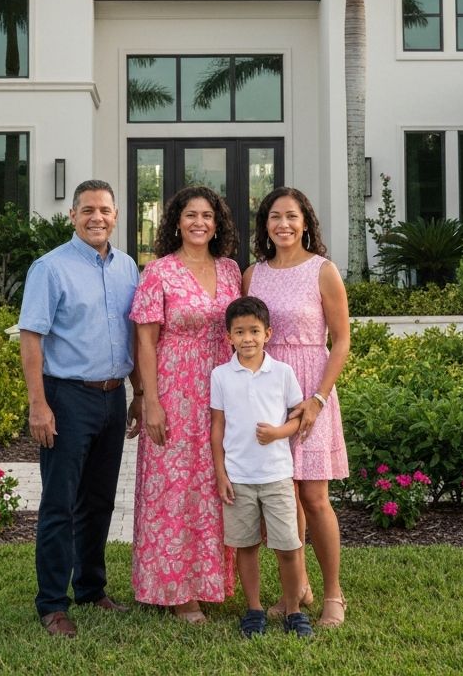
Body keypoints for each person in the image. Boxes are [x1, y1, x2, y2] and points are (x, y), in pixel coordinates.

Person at [18, 179, 140, 638]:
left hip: (113, 396)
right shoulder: (50, 268)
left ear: (115, 215)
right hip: (67, 397)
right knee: (60, 504)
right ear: (72, 215)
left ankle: (91, 588)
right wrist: (39, 405)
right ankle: (52, 603)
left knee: (99, 501)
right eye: (87, 209)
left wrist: (138, 392)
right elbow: (32, 337)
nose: (97, 217)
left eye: (105, 210)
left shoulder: (127, 267)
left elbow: (131, 336)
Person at [129, 186, 239, 623]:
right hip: (175, 391)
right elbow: (145, 340)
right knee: (174, 491)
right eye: (191, 215)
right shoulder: (158, 272)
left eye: (208, 215)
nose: (199, 222)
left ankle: (212, 583)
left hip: (222, 392)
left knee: (215, 487)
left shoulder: (231, 270)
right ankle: (178, 592)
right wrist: (149, 401)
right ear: (176, 221)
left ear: (218, 223)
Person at [243, 186, 350, 629]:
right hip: (266, 391)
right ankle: (298, 587)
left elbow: (341, 340)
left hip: (311, 390)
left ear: (306, 221)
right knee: (282, 496)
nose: (282, 224)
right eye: (274, 217)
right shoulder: (253, 274)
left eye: (291, 216)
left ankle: (333, 594)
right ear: (264, 225)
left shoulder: (323, 271)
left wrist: (318, 399)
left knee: (313, 495)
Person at [210, 296, 314, 639]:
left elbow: (297, 418)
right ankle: (253, 609)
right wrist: (221, 474)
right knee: (246, 546)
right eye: (239, 332)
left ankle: (293, 609)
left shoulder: (282, 373)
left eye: (254, 330)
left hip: (276, 476)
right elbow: (217, 428)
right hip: (239, 479)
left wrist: (277, 434)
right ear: (229, 337)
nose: (248, 338)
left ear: (268, 333)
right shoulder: (221, 375)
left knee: (288, 546)